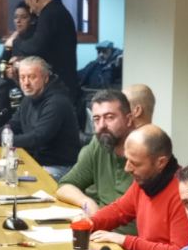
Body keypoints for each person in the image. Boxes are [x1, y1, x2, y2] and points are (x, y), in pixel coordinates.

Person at [85, 125, 188, 250]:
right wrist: (90, 223)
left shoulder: (184, 194)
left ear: (161, 163)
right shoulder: (146, 179)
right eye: (127, 159)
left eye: (135, 163)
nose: (127, 168)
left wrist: (125, 241)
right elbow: (120, 210)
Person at [0, 56, 80, 178]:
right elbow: (14, 125)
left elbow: (38, 137)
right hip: (35, 160)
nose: (26, 83)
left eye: (32, 77)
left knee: (8, 179)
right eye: (22, 77)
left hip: (58, 167)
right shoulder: (30, 97)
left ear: (45, 78)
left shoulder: (57, 102)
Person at [55, 90, 136, 221]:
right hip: (100, 227)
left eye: (109, 117)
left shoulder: (145, 152)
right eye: (96, 119)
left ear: (129, 119)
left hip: (128, 233)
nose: (102, 125)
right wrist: (87, 203)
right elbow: (65, 185)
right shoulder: (100, 143)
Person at [9, 0, 79, 101]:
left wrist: (15, 42)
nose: (31, 10)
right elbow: (47, 48)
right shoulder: (58, 11)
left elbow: (36, 47)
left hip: (60, 84)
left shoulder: (49, 14)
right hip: (65, 79)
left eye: (29, 5)